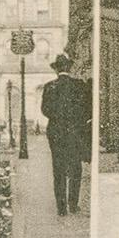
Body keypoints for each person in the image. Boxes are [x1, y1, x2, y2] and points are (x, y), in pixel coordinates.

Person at [40, 52, 91, 216]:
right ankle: (73, 204)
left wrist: (58, 117)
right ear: (69, 68)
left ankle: (61, 208)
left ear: (56, 70)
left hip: (56, 132)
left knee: (58, 168)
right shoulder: (80, 85)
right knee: (76, 168)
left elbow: (45, 110)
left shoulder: (50, 86)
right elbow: (88, 110)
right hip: (76, 132)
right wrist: (77, 121)